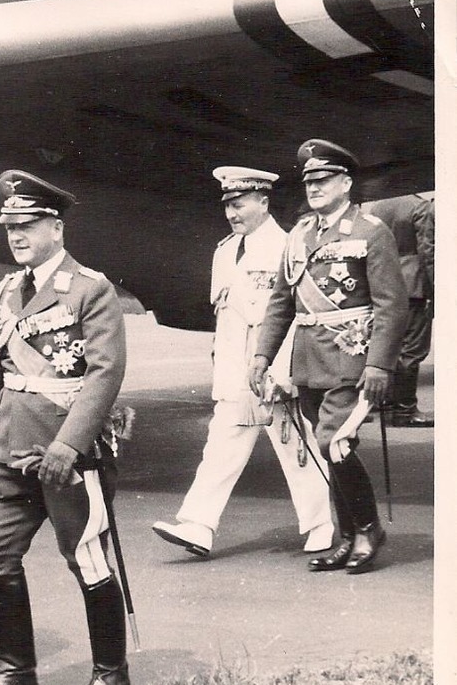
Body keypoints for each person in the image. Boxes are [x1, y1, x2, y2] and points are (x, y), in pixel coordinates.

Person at [0, 171, 130, 685]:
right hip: (9, 449)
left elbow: (105, 373)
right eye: (10, 226)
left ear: (56, 226)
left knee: (87, 558)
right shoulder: (6, 290)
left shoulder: (89, 288)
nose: (17, 235)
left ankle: (109, 674)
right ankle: (16, 673)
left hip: (66, 455)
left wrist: (69, 446)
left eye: (28, 224)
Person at [151, 167, 335, 558]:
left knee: (296, 447)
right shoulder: (224, 250)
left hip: (272, 372)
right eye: (228, 206)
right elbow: (228, 315)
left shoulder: (287, 247)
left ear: (263, 202)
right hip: (236, 373)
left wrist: (283, 373)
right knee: (221, 446)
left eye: (240, 204)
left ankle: (320, 525)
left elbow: (289, 316)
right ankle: (199, 526)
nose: (233, 214)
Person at [251, 140, 408, 574]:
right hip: (308, 361)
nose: (314, 188)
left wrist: (379, 364)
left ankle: (369, 529)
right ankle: (348, 536)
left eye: (323, 180)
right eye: (309, 182)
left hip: (350, 357)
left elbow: (391, 306)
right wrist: (262, 355)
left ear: (346, 182)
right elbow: (281, 302)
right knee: (328, 448)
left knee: (334, 442)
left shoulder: (370, 232)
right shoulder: (300, 235)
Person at [364, 193, 435, 428]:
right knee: (412, 349)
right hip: (414, 284)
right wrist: (436, 288)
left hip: (384, 282)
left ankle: (382, 403)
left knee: (388, 344)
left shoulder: (378, 205)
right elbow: (428, 252)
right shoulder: (420, 206)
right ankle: (405, 411)